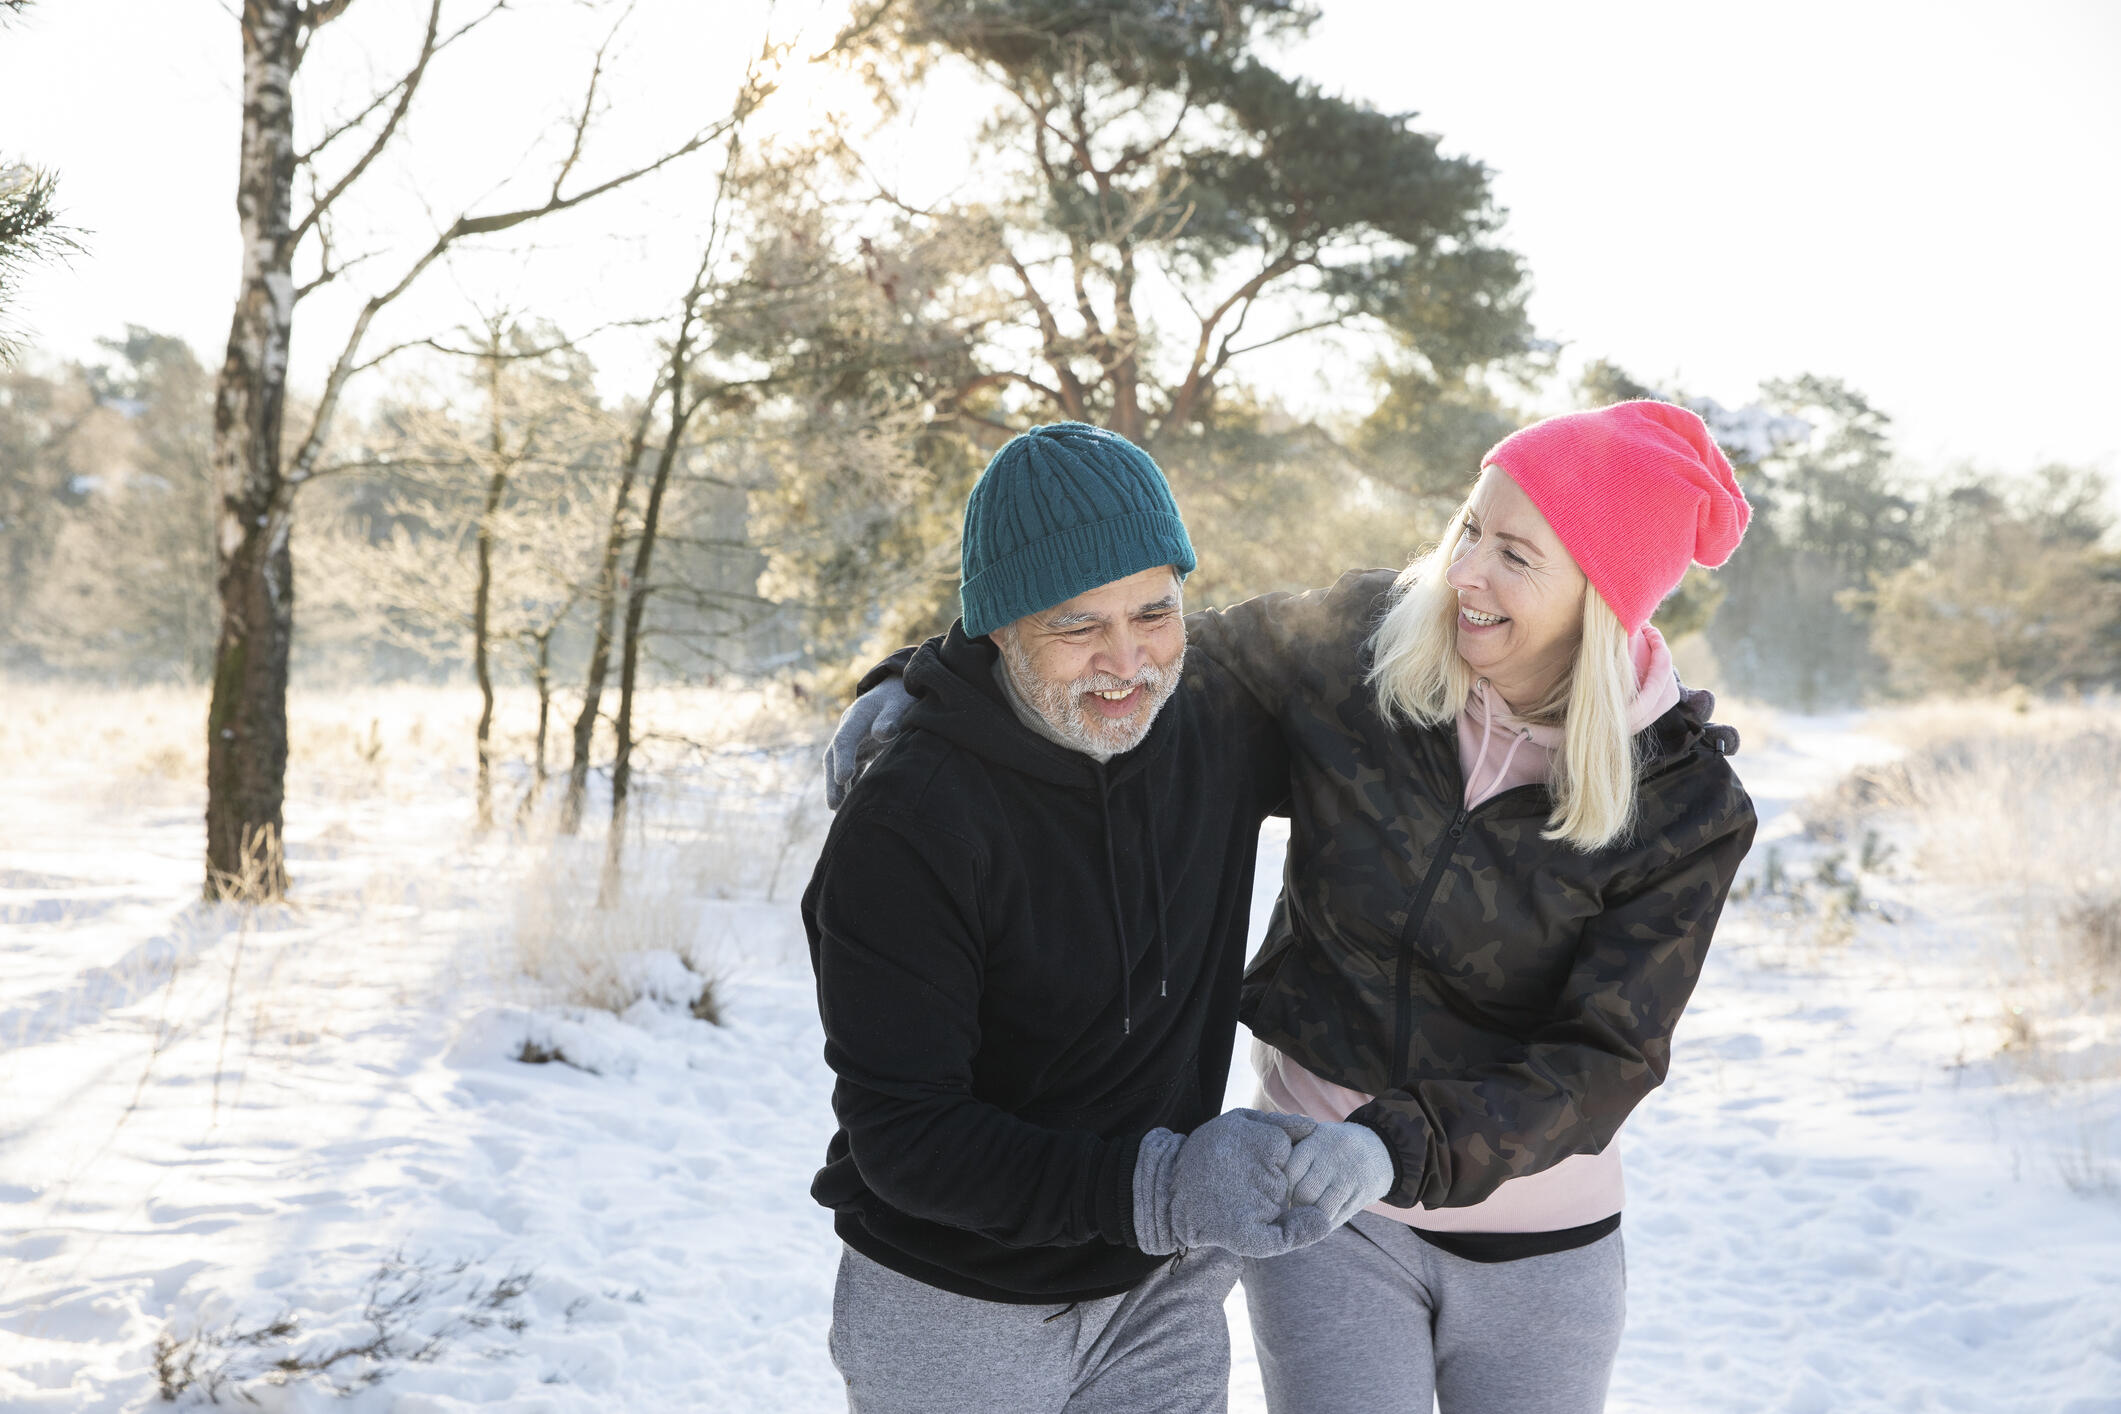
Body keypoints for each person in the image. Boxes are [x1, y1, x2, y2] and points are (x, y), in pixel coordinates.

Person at [831, 400, 1759, 1413]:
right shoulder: (1363, 652)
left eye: (1517, 556)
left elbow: (1609, 1050)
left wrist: (1396, 1146)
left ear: (1603, 593)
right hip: (1311, 1208)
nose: (1465, 573)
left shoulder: (1680, 801)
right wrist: (923, 684)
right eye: (1469, 531)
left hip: (1523, 1229)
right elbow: (1091, 621)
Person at [805, 421, 1390, 1414]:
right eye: (1079, 627)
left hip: (1158, 1292)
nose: (1127, 661)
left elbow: (1407, 614)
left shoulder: (1213, 708)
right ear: (1001, 626)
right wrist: (1167, 1186)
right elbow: (908, 1138)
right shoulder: (910, 821)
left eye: (1154, 612)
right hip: (956, 1307)